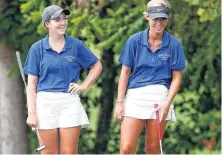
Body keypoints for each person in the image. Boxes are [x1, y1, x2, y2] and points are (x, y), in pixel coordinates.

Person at [23, 5, 102, 154]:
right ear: (47, 24)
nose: (63, 22)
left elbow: (96, 65)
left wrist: (84, 86)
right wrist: (32, 113)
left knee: (70, 152)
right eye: (57, 19)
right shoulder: (37, 49)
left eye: (64, 18)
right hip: (45, 103)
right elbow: (32, 85)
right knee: (48, 153)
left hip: (69, 101)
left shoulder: (76, 45)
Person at [114, 0, 186, 154]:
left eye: (163, 19)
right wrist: (120, 102)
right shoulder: (134, 41)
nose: (159, 23)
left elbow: (177, 78)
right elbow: (125, 73)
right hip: (135, 96)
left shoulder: (174, 44)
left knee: (153, 148)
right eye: (155, 18)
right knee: (126, 148)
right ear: (147, 17)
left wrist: (167, 103)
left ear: (168, 19)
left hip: (160, 97)